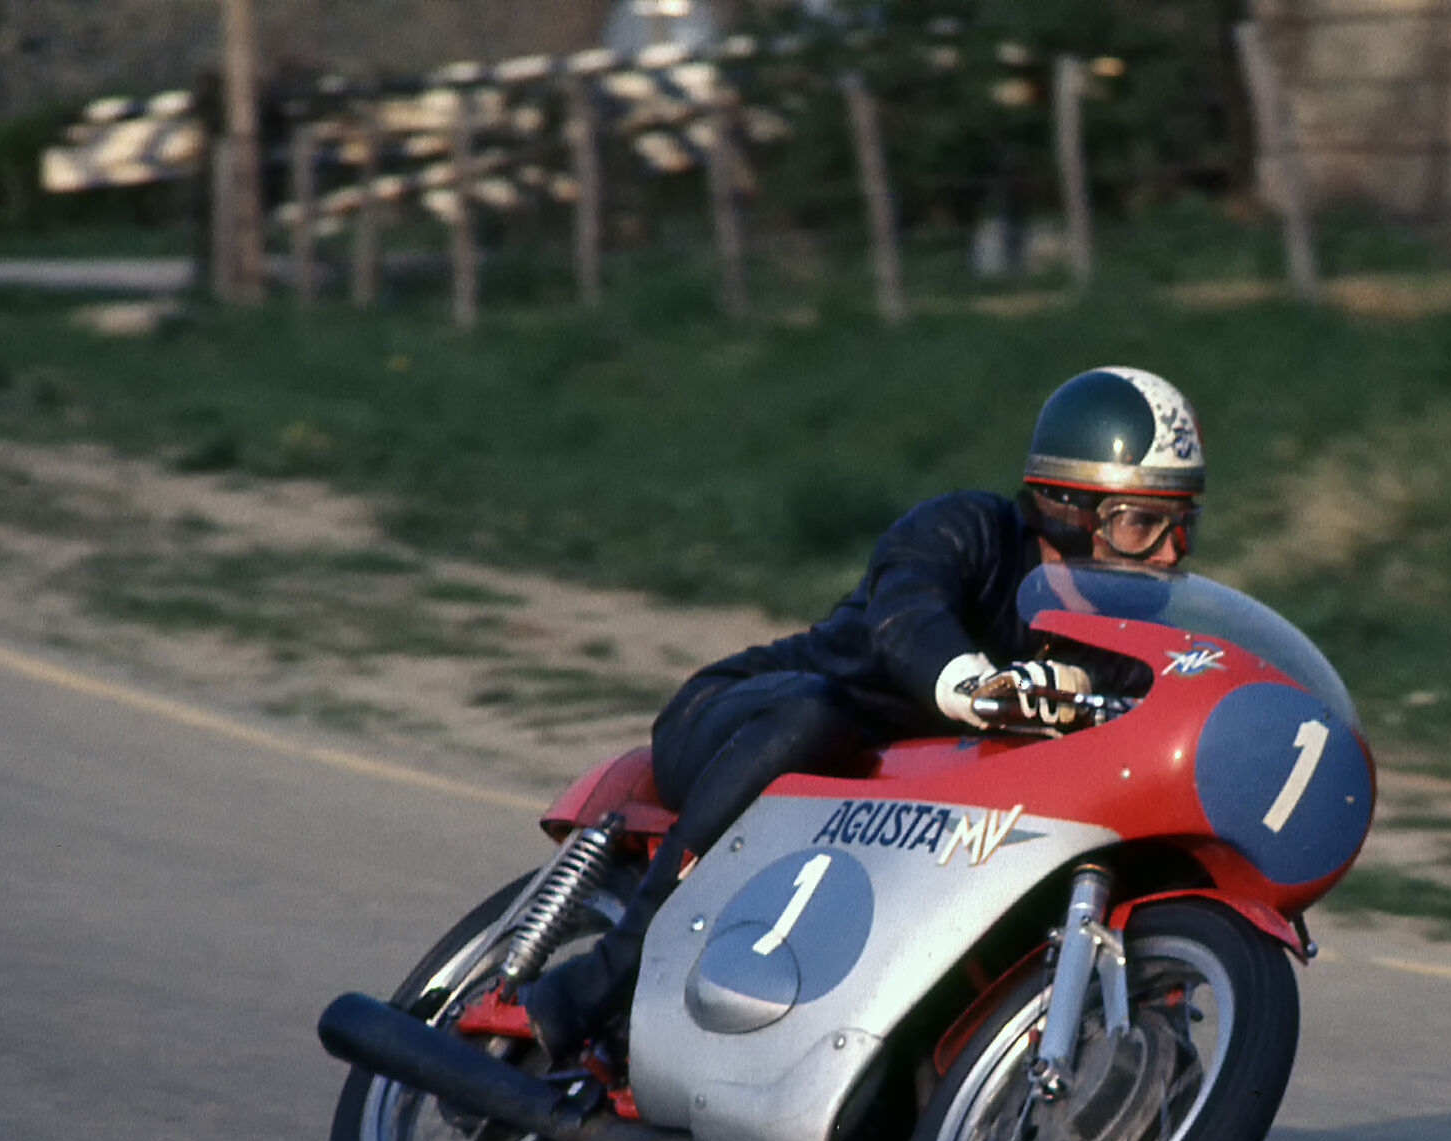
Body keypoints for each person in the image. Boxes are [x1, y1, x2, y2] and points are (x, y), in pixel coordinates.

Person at [516, 364, 1206, 1060]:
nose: (1171, 552)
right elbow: (906, 616)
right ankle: (607, 975)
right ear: (1066, 507)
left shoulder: (1130, 640)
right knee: (816, 715)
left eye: (1182, 526)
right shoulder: (968, 529)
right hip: (746, 721)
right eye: (1141, 523)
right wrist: (975, 688)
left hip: (887, 827)